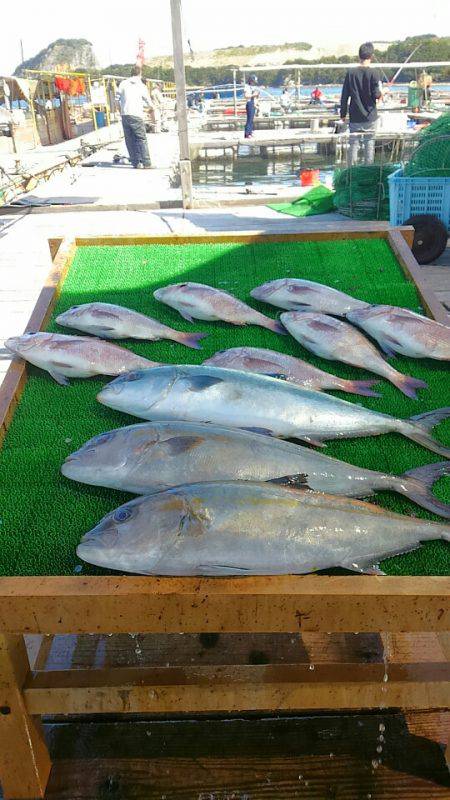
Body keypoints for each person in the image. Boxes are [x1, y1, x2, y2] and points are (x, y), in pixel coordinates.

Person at [340, 42, 382, 166]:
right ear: (371, 56)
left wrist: (343, 114)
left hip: (355, 115)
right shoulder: (374, 73)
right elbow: (376, 95)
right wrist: (382, 92)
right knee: (369, 144)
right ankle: (368, 172)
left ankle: (351, 171)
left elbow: (344, 96)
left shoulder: (350, 73)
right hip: (370, 116)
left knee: (353, 145)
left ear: (359, 56)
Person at [118, 66, 153, 168]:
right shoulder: (141, 85)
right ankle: (146, 163)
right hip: (136, 115)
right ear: (140, 73)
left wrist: (121, 111)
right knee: (141, 139)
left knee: (129, 140)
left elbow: (117, 100)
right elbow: (148, 101)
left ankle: (136, 163)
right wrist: (152, 108)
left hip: (125, 115)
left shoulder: (123, 84)